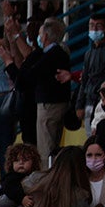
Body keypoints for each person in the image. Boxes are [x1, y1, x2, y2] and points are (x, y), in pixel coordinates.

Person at [30, 17, 71, 164]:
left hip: (49, 106)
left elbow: (32, 74)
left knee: (46, 149)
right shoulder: (61, 53)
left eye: (40, 34)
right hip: (57, 104)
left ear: (45, 36)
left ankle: (48, 181)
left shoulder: (51, 55)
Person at [74, 12, 105, 134]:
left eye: (98, 26)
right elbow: (84, 80)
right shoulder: (89, 53)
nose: (94, 29)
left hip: (104, 103)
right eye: (91, 26)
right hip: (89, 102)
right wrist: (79, 104)